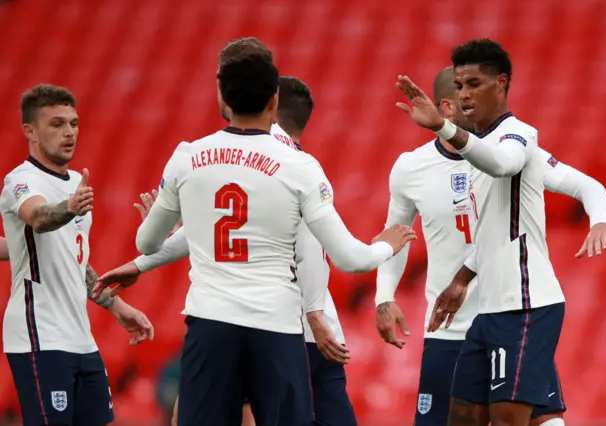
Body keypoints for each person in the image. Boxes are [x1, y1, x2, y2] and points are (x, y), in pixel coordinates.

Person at [132, 40, 414, 425]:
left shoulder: (188, 156)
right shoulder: (299, 166)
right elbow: (350, 259)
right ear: (273, 100)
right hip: (274, 327)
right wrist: (384, 245)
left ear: (222, 97)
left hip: (211, 324)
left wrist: (182, 228)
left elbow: (146, 243)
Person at [99, 75, 358, 426]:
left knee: (198, 412)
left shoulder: (235, 166)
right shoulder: (303, 173)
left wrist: (144, 259)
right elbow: (329, 251)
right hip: (309, 329)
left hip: (257, 320)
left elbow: (210, 229)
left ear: (268, 109)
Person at [375, 66, 606, 426]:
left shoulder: (510, 154)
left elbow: (588, 186)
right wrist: (384, 295)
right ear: (449, 107)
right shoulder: (411, 168)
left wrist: (600, 219)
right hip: (450, 330)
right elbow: (397, 234)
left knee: (546, 422)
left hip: (512, 319)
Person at [0, 84, 154, 426]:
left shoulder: (74, 184)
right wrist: (69, 208)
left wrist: (117, 306)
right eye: (57, 124)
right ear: (30, 131)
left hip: (81, 337)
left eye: (74, 123)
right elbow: (38, 218)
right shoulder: (21, 181)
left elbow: (73, 259)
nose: (69, 132)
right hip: (38, 334)